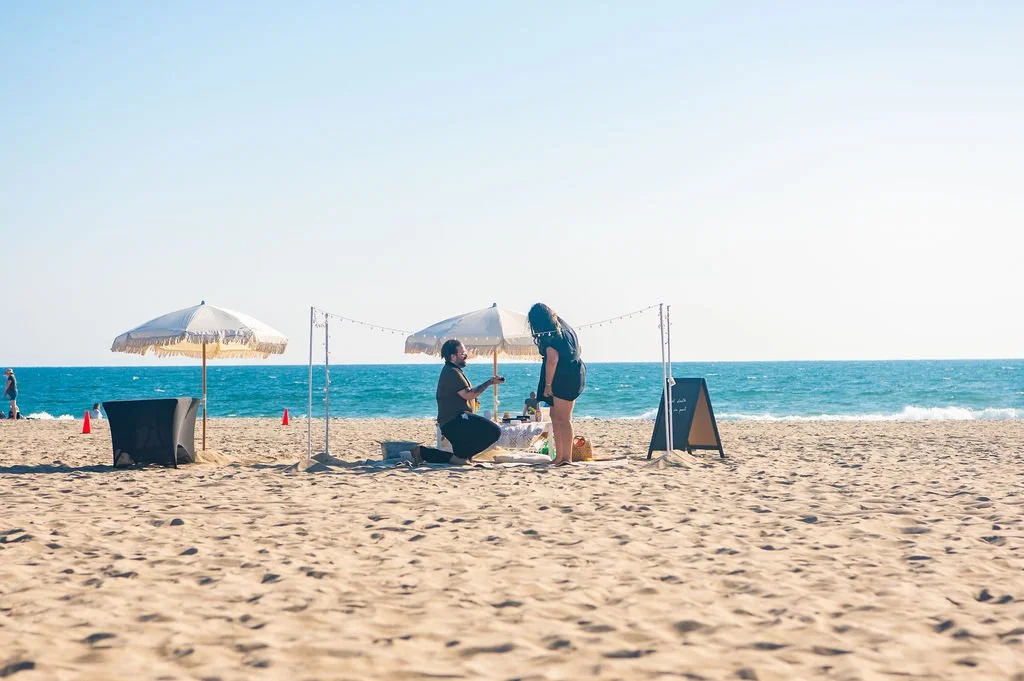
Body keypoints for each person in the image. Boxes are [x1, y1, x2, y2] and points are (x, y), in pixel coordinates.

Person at [411, 339, 505, 465]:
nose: (466, 356)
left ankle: (422, 453)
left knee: (459, 458)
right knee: (494, 431)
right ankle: (424, 453)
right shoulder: (451, 372)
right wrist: (490, 382)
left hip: (454, 421)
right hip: (454, 421)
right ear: (453, 356)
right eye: (462, 354)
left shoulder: (453, 370)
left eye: (465, 353)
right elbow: (469, 395)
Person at [528, 303, 586, 465]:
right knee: (555, 416)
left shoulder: (551, 335)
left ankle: (566, 457)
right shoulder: (562, 327)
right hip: (572, 372)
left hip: (565, 376)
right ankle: (559, 456)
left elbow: (552, 361)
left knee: (563, 418)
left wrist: (548, 385)